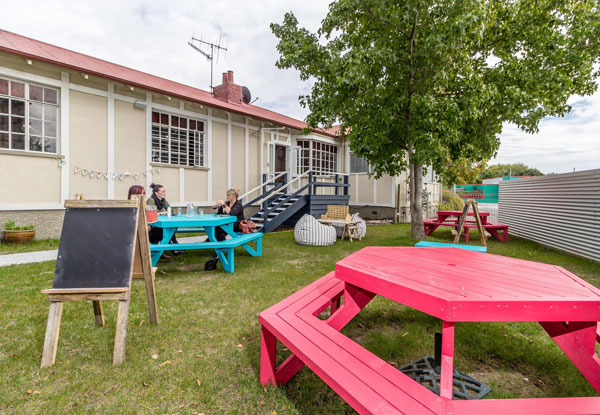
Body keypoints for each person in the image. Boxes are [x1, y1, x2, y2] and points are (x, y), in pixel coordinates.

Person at [204, 188, 244, 271]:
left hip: (236, 224)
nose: (227, 196)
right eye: (226, 195)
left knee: (219, 229)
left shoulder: (238, 205)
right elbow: (219, 213)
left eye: (228, 195)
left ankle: (213, 242)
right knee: (219, 230)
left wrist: (225, 205)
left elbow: (232, 213)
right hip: (228, 224)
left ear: (234, 196)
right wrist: (216, 208)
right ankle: (222, 249)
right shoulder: (227, 203)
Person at [146, 183, 182, 254]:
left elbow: (171, 210)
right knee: (169, 228)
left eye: (165, 191)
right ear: (156, 193)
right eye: (163, 191)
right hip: (152, 227)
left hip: (159, 224)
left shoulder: (163, 200)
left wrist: (164, 212)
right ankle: (174, 245)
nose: (165, 193)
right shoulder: (151, 200)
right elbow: (150, 215)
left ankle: (173, 244)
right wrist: (162, 213)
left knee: (173, 226)